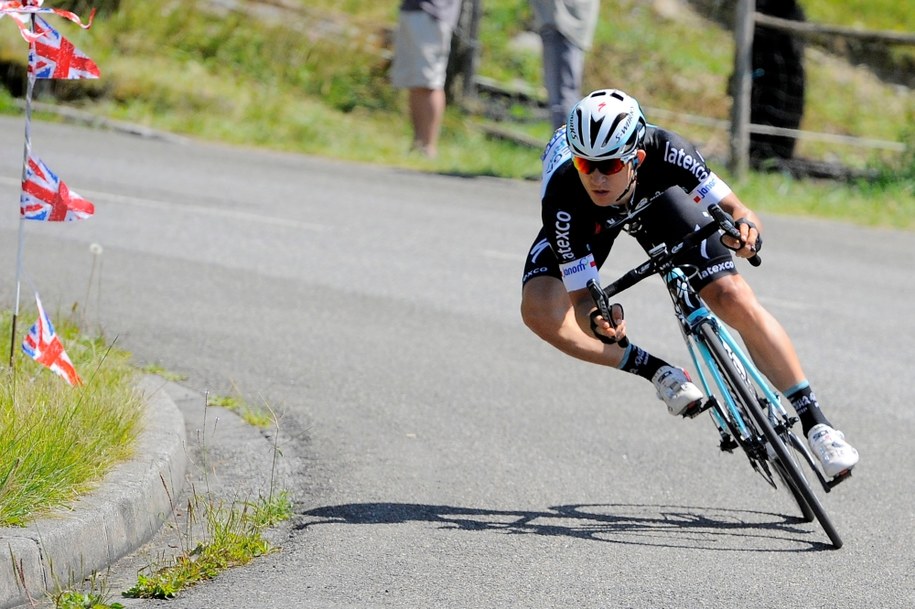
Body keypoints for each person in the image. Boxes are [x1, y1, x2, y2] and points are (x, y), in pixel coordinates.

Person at [520, 88, 859, 478]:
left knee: (730, 294)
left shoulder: (667, 150)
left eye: (609, 166)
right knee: (539, 310)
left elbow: (739, 210)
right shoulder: (567, 192)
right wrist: (598, 319)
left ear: (637, 158)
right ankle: (656, 371)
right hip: (586, 220)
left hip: (657, 196)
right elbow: (581, 297)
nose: (596, 176)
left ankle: (816, 421)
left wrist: (745, 234)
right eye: (587, 164)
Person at [390, 0, 462, 159]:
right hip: (416, 10)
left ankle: (427, 147)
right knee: (416, 82)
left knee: (428, 82)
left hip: (432, 13)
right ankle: (418, 145)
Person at [529, 0, 600, 130]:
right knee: (563, 96)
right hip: (562, 22)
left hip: (564, 25)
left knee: (563, 99)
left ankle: (566, 147)